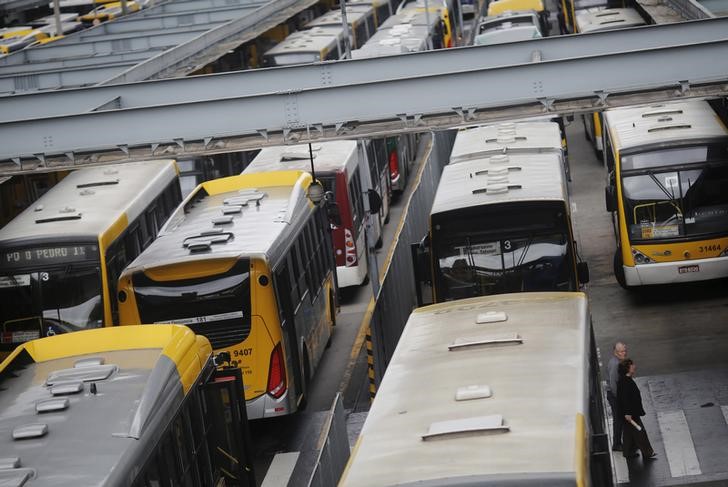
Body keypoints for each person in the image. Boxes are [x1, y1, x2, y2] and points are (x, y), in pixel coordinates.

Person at [617, 358, 657, 460]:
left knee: (628, 433)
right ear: (627, 368)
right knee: (640, 432)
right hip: (630, 414)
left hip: (629, 413)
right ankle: (648, 452)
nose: (634, 366)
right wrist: (627, 413)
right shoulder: (626, 382)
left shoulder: (625, 381)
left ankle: (628, 451)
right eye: (632, 365)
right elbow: (625, 399)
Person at [606, 341, 627, 450]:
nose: (623, 353)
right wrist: (620, 398)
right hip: (615, 396)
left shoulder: (618, 362)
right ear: (615, 352)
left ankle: (621, 442)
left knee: (620, 419)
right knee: (618, 420)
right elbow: (613, 383)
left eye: (624, 351)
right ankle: (617, 444)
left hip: (616, 394)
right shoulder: (615, 364)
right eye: (620, 352)